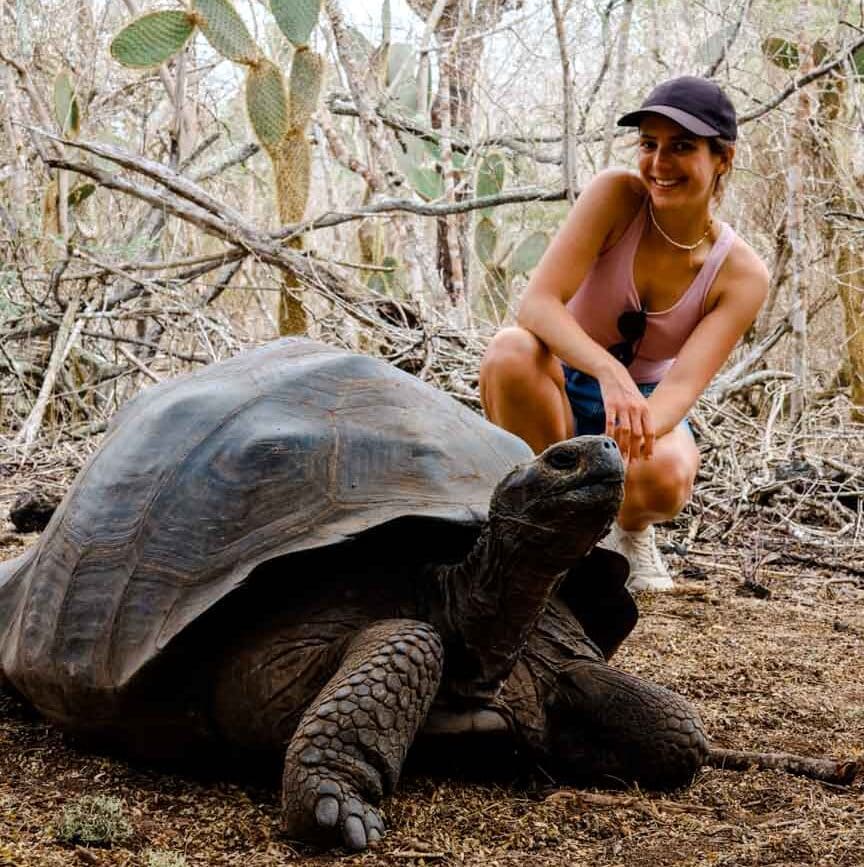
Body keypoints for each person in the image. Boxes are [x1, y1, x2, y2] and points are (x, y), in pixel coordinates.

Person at [479, 76, 769, 592]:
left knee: (669, 472)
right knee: (509, 351)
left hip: (644, 405)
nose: (659, 163)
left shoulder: (742, 275)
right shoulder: (616, 196)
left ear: (723, 158)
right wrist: (608, 371)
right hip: (557, 382)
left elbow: (681, 388)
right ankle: (547, 529)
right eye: (649, 144)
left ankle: (628, 533)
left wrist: (618, 444)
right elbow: (537, 305)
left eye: (681, 147)